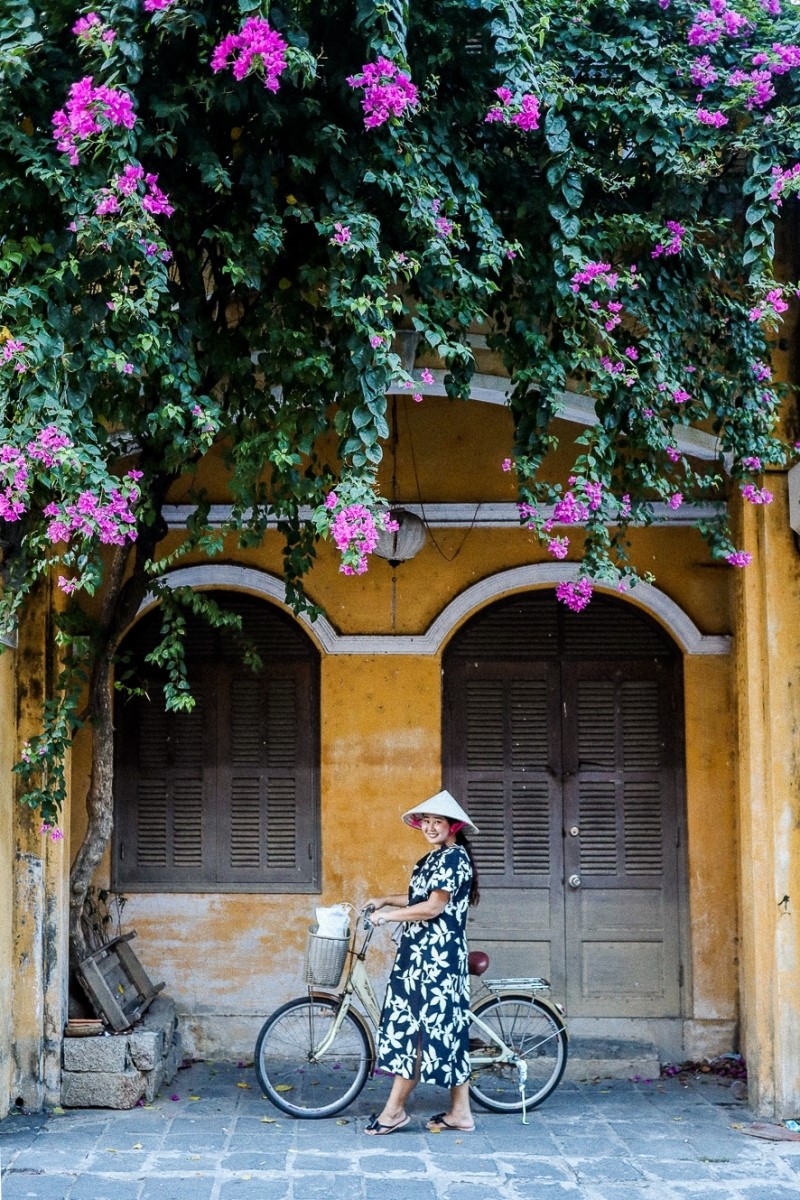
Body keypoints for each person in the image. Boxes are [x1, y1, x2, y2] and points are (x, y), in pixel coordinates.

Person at [363, 789, 480, 1135]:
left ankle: (393, 1111)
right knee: (446, 1030)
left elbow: (433, 907)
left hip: (436, 960)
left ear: (452, 826)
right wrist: (385, 899)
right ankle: (461, 1112)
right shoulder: (433, 858)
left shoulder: (454, 859)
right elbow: (420, 897)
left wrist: (390, 917)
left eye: (437, 821)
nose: (430, 827)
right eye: (426, 821)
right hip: (419, 957)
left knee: (418, 1033)